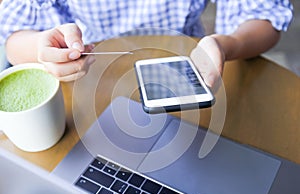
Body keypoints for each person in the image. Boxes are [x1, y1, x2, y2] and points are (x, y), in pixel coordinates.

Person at [0, 0, 293, 88]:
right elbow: (13, 33)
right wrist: (42, 47)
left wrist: (226, 44)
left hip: (191, 67)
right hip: (92, 77)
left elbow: (263, 14)